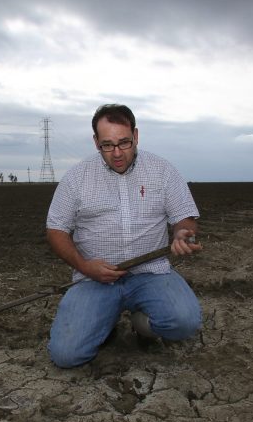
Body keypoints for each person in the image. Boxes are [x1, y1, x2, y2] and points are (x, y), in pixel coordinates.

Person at [45, 103, 202, 368]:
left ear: (136, 136)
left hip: (150, 274)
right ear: (96, 142)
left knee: (184, 322)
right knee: (65, 356)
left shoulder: (162, 171)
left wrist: (182, 233)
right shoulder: (76, 178)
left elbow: (184, 219)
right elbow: (55, 229)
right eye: (107, 145)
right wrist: (85, 267)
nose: (117, 153)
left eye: (124, 143)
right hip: (94, 279)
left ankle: (142, 325)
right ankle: (105, 324)